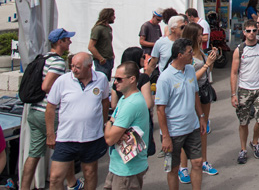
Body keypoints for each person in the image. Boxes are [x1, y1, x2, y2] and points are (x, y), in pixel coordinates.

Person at [20, 28, 81, 190]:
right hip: (48, 113)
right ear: (60, 42)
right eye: (67, 39)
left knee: (33, 154)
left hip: (34, 111)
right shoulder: (58, 62)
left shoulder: (43, 57)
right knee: (64, 151)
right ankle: (71, 184)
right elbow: (47, 86)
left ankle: (24, 187)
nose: (70, 42)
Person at [46, 52, 110, 190]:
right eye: (72, 66)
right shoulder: (63, 81)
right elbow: (50, 107)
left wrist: (103, 124)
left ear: (89, 66)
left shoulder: (102, 79)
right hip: (66, 138)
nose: (73, 70)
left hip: (91, 137)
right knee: (55, 177)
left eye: (78, 67)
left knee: (90, 174)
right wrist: (50, 134)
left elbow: (105, 102)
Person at [155, 38, 207, 190]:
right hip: (174, 132)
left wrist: (202, 117)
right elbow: (160, 110)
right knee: (173, 168)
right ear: (179, 55)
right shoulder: (165, 79)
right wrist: (165, 137)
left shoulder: (190, 69)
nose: (192, 54)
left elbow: (195, 94)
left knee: (197, 162)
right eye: (190, 52)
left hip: (193, 127)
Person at [177, 24, 219, 181]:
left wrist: (211, 60)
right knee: (187, 130)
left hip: (203, 91)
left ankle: (203, 161)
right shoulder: (186, 55)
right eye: (200, 34)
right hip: (190, 94)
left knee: (203, 127)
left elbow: (207, 72)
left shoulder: (200, 51)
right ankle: (183, 167)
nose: (204, 37)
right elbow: (190, 77)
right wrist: (207, 64)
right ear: (193, 35)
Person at [230, 19, 259, 163]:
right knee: (243, 122)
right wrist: (233, 94)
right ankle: (243, 149)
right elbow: (234, 72)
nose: (251, 33)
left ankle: (254, 142)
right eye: (248, 31)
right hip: (244, 89)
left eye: (254, 30)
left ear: (257, 31)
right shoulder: (239, 50)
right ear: (244, 32)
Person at [103, 62, 150, 190]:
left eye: (119, 79)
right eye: (114, 79)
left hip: (127, 172)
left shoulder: (131, 104)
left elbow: (109, 139)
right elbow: (112, 124)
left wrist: (109, 125)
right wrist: (111, 125)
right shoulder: (124, 99)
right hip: (118, 167)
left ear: (132, 79)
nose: (115, 82)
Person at [88, 8, 115, 79]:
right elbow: (91, 46)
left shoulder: (108, 28)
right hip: (102, 62)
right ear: (108, 16)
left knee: (107, 82)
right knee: (101, 80)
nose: (114, 17)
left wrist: (112, 54)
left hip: (109, 59)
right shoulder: (98, 29)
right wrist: (101, 58)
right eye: (113, 15)